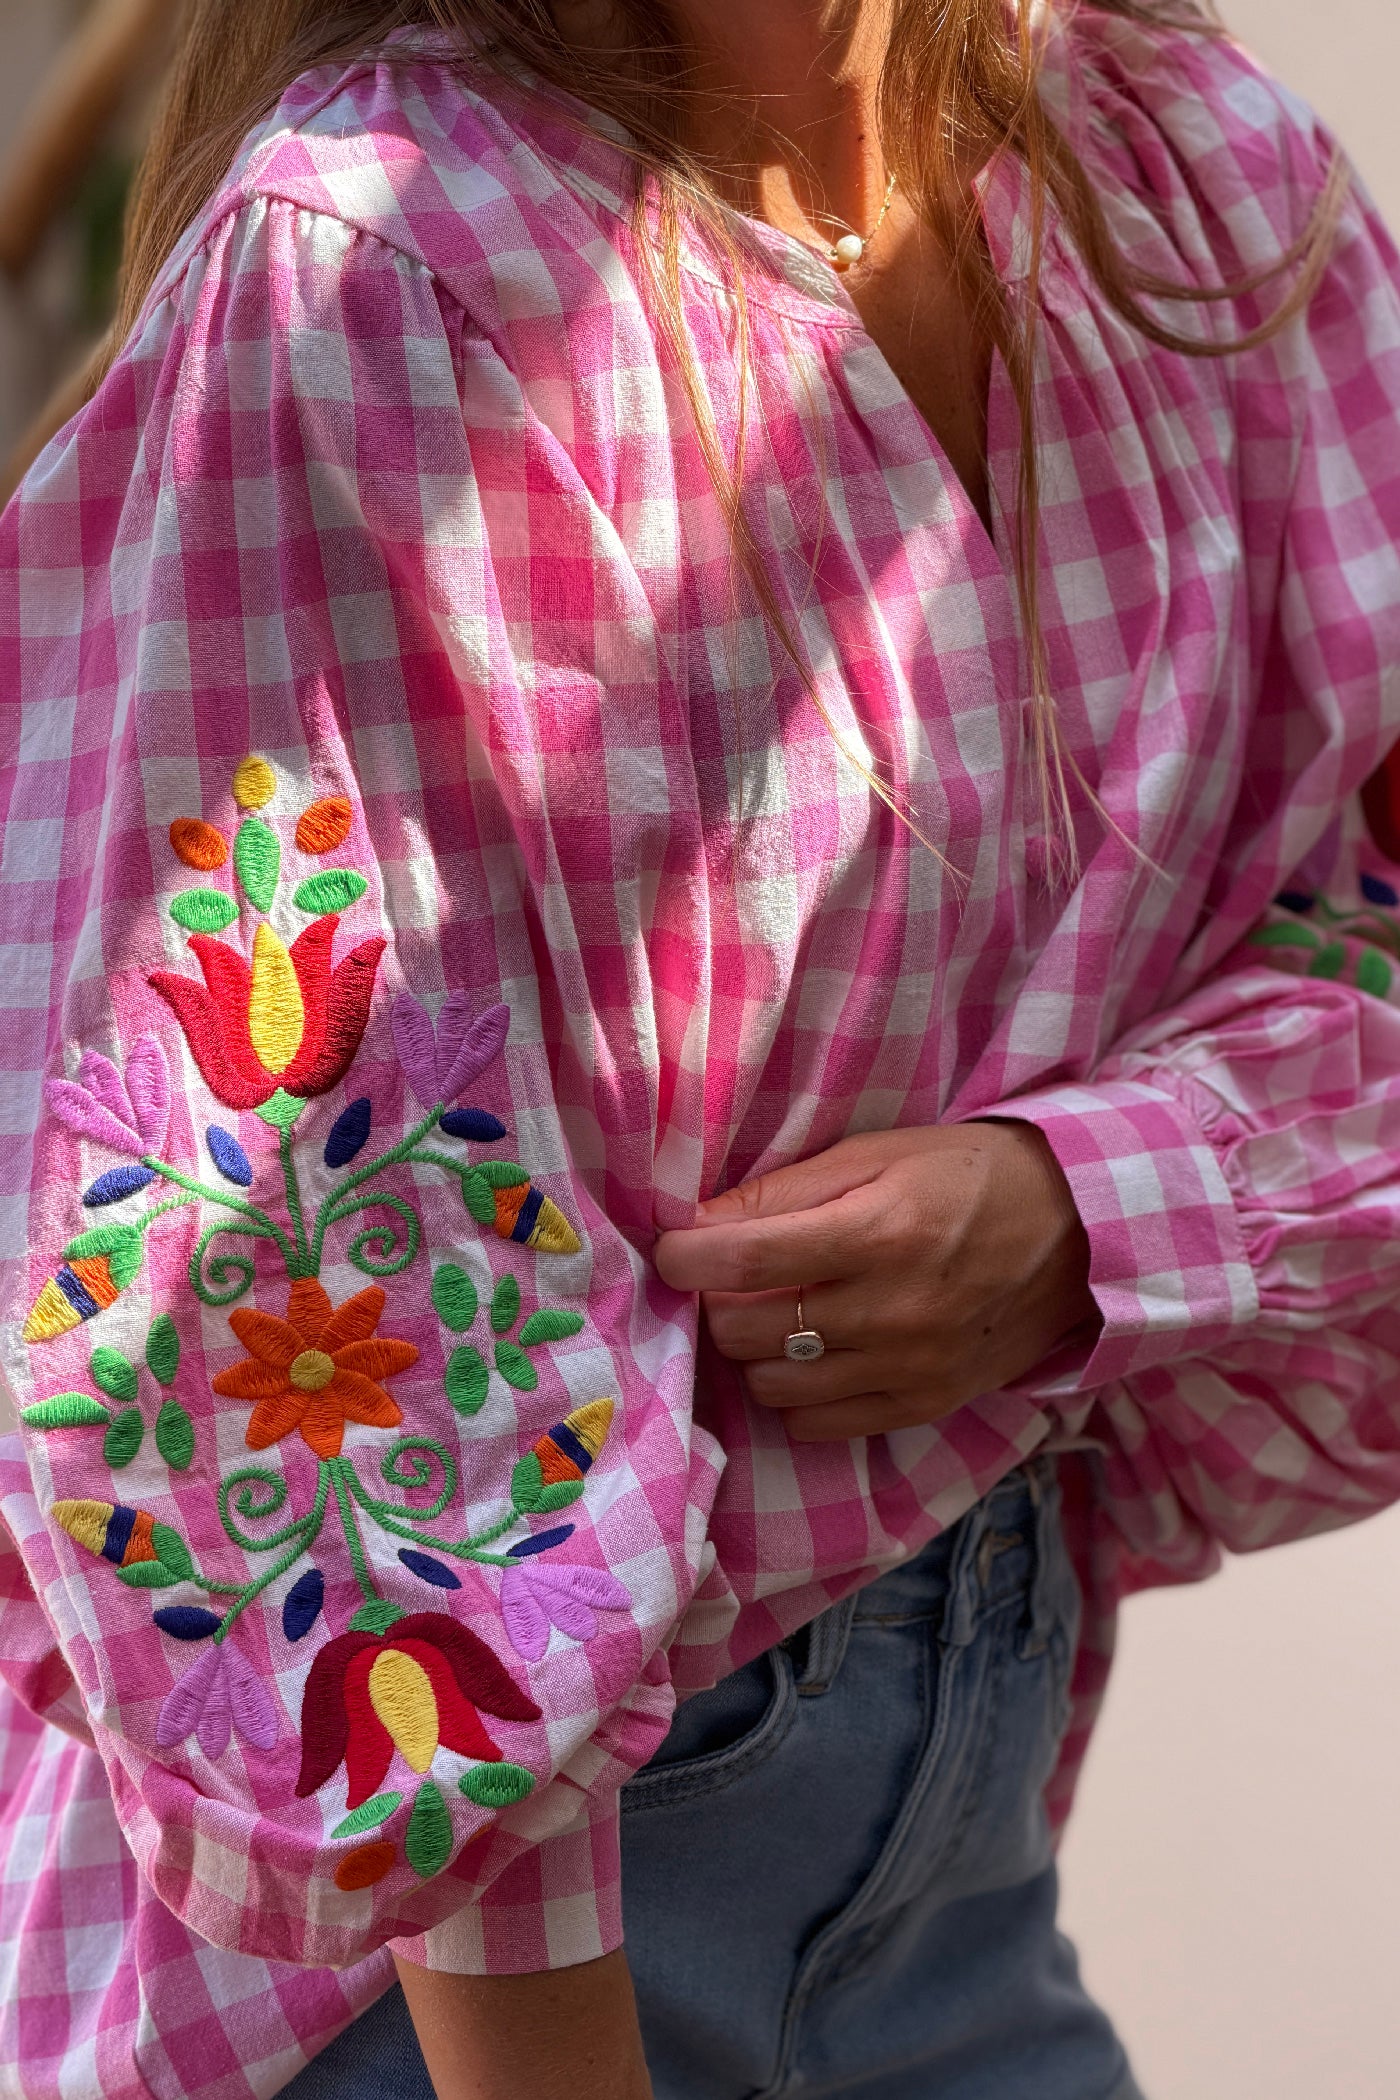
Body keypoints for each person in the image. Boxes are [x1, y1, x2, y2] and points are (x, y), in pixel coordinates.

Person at [3, 0, 1400, 2094]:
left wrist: (1087, 1202)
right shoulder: (383, 259)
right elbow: (305, 1311)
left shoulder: (1191, 184)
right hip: (437, 1990)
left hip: (957, 1845)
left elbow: (1366, 909)